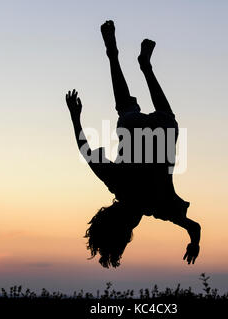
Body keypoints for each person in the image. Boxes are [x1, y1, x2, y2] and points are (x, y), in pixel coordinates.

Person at [65, 20, 200, 268]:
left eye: (128, 236)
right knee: (125, 108)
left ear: (128, 229)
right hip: (133, 126)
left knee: (167, 118)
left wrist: (195, 243)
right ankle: (114, 54)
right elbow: (84, 150)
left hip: (163, 132)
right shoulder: (115, 182)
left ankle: (146, 66)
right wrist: (76, 117)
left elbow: (194, 227)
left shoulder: (160, 207)